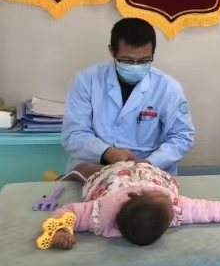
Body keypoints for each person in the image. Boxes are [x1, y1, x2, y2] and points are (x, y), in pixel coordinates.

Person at [61, 18, 194, 175]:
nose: (135, 66)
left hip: (150, 170)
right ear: (112, 51)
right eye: (127, 60)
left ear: (153, 53)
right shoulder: (87, 81)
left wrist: (148, 164)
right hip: (96, 166)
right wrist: (107, 153)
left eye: (144, 61)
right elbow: (73, 134)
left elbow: (181, 137)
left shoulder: (168, 88)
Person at [43, 161, 220, 250]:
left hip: (112, 179)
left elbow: (67, 211)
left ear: (134, 196)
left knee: (85, 171)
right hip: (144, 173)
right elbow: (210, 210)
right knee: (139, 163)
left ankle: (60, 177)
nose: (172, 201)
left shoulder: (99, 211)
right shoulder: (177, 208)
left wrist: (60, 229)